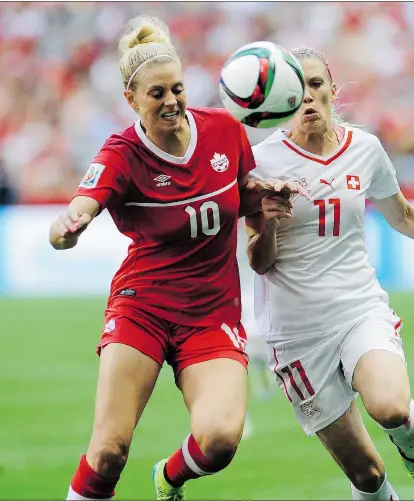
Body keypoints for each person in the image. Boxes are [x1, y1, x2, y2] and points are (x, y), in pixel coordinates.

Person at [49, 16, 306, 501]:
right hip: (142, 306)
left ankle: (168, 478)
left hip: (211, 313)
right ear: (131, 99)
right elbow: (78, 209)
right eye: (157, 94)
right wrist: (68, 227)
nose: (171, 101)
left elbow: (243, 199)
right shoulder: (121, 152)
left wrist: (266, 200)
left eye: (178, 89)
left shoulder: (225, 132)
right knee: (108, 452)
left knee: (220, 441)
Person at [245, 48, 414, 501]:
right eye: (296, 91)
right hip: (297, 334)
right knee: (366, 474)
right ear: (282, 102)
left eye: (316, 85)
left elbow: (401, 214)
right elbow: (260, 262)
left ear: (332, 89)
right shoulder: (261, 164)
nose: (308, 97)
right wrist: (267, 217)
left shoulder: (364, 149)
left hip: (358, 308)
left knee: (390, 407)